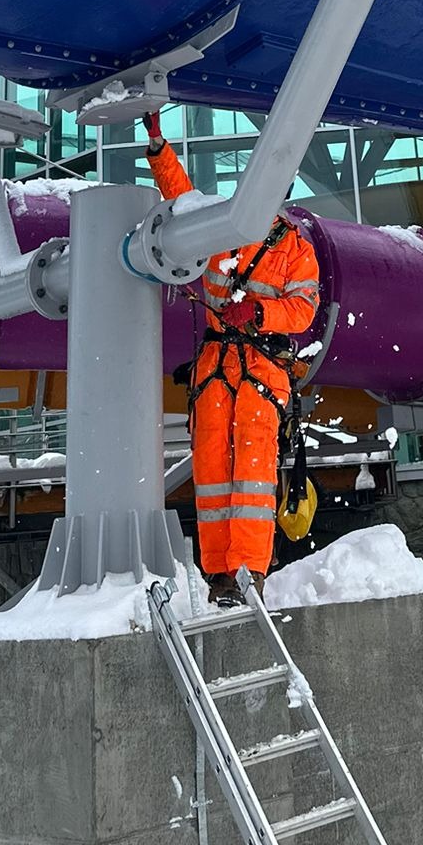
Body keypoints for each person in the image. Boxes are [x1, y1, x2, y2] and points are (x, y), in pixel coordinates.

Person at [143, 110, 321, 605]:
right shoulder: (220, 226)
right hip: (219, 372)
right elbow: (180, 199)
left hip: (259, 370)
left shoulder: (296, 251)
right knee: (214, 473)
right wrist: (157, 145)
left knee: (251, 475)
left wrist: (258, 312)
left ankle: (249, 571)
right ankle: (219, 572)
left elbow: (304, 309)